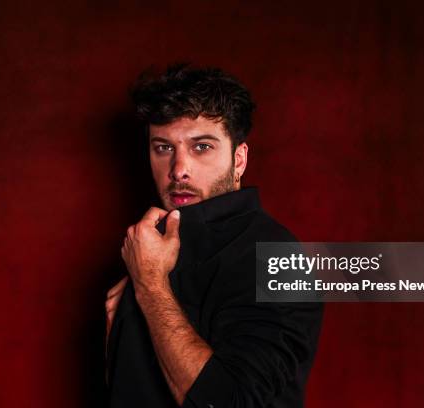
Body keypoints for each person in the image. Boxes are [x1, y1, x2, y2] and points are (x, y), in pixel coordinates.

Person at [104, 64, 323, 408]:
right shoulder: (149, 249)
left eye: (201, 147)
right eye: (163, 148)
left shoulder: (278, 258)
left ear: (239, 160)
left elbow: (227, 402)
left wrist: (148, 286)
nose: (178, 170)